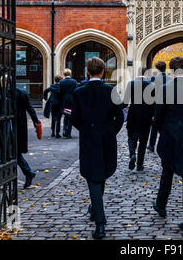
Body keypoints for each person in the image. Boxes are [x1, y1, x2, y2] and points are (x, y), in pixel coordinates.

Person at [69, 57, 124, 240]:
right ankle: (98, 218)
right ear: (102, 72)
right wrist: (110, 132)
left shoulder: (78, 92)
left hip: (89, 138)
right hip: (107, 137)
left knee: (94, 177)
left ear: (88, 71)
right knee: (99, 175)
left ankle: (98, 216)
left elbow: (74, 118)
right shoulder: (111, 90)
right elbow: (120, 117)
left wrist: (86, 130)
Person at [153, 57, 183, 234]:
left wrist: (163, 129)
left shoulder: (164, 89)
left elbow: (158, 117)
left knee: (167, 170)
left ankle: (161, 204)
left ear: (172, 71)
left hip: (170, 134)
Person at [124, 68, 155, 171]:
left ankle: (132, 154)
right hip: (146, 116)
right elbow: (154, 104)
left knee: (131, 137)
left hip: (133, 114)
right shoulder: (151, 85)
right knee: (143, 140)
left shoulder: (131, 84)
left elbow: (125, 101)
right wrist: (153, 115)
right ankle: (140, 165)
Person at [147, 61, 171, 153]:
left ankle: (151, 145)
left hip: (156, 104)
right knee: (165, 126)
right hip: (168, 105)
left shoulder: (154, 79)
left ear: (157, 69)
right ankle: (166, 145)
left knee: (154, 127)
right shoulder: (170, 79)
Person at [60, 68, 77, 139]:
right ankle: (69, 133)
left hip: (64, 100)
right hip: (72, 100)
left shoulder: (62, 82)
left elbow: (61, 92)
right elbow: (76, 91)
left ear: (64, 74)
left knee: (66, 115)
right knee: (70, 116)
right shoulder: (74, 81)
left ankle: (64, 130)